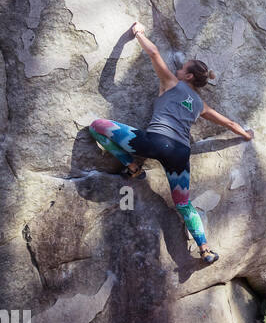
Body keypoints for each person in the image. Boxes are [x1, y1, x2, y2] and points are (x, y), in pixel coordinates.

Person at [87, 23, 253, 264]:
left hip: (153, 142)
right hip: (180, 154)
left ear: (188, 76)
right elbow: (228, 123)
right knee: (184, 204)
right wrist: (246, 135)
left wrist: (138, 33)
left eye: (182, 68)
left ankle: (132, 167)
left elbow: (153, 54)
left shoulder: (171, 83)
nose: (177, 69)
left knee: (97, 127)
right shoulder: (200, 105)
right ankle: (205, 249)